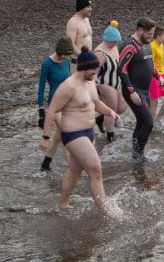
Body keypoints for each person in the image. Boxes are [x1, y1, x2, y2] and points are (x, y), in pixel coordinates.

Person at [45, 50, 120, 217]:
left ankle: (63, 204)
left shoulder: (90, 81)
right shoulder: (69, 86)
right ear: (84, 67)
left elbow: (96, 103)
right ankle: (106, 210)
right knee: (96, 169)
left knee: (74, 170)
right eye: (93, 69)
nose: (96, 73)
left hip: (88, 132)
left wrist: (110, 112)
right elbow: (51, 111)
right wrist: (45, 138)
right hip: (73, 134)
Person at [118, 18, 157, 163]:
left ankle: (136, 153)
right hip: (133, 90)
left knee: (141, 122)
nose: (151, 37)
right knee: (148, 123)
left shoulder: (146, 45)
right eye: (149, 34)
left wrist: (158, 77)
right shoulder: (129, 45)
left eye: (152, 34)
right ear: (140, 30)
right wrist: (131, 91)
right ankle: (138, 155)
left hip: (144, 90)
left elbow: (150, 63)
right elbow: (121, 69)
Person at [38, 36, 75, 170]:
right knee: (68, 135)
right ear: (59, 52)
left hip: (68, 102)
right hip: (55, 104)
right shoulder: (47, 64)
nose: (66, 58)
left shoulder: (66, 61)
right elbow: (41, 87)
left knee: (58, 136)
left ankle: (45, 164)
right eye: (65, 55)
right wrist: (41, 110)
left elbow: (69, 81)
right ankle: (73, 169)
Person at [94, 23, 126, 141]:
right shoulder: (100, 53)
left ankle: (100, 119)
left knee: (122, 107)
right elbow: (93, 72)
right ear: (108, 40)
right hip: (104, 84)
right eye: (114, 41)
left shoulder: (114, 48)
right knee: (111, 110)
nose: (116, 43)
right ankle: (110, 135)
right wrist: (93, 87)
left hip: (116, 83)